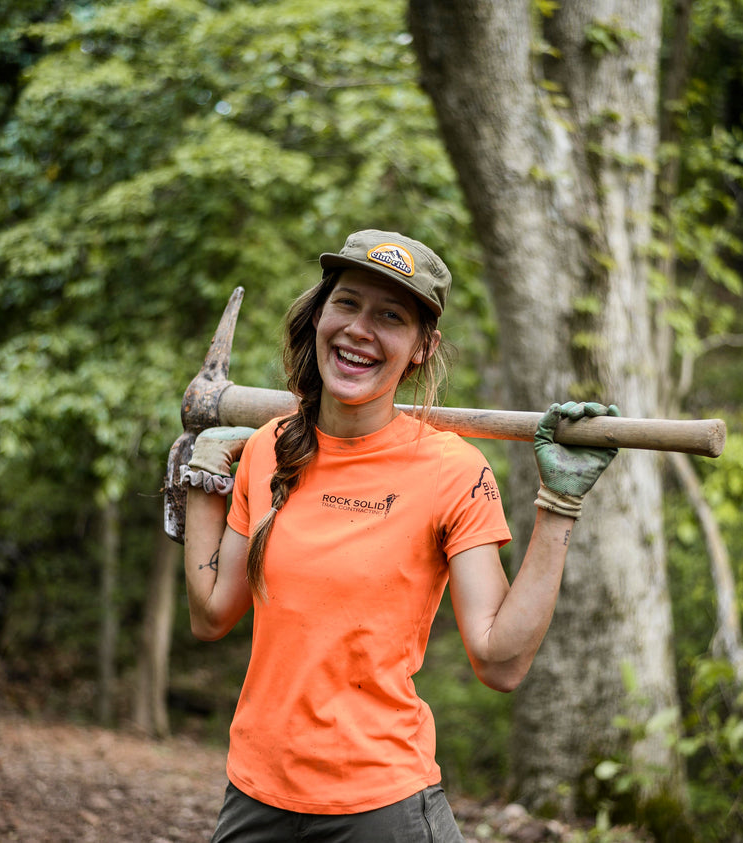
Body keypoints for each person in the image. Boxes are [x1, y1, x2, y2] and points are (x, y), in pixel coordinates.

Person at [179, 229, 619, 842]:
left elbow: (500, 661)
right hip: (257, 795)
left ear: (421, 347)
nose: (361, 329)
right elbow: (211, 614)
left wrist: (559, 505)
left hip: (380, 808)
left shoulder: (453, 470)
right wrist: (199, 480)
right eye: (348, 303)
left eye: (391, 316)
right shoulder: (267, 450)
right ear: (319, 318)